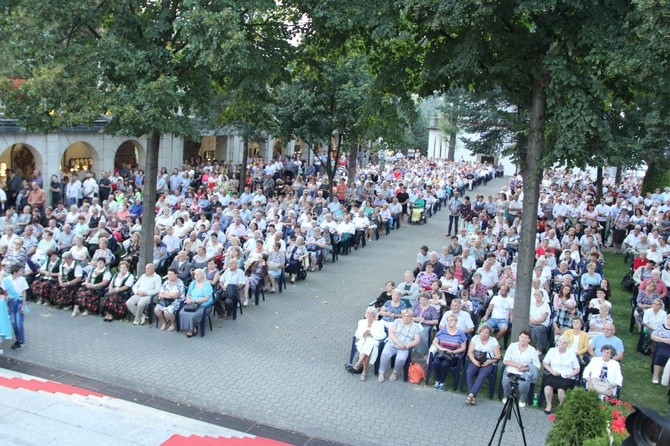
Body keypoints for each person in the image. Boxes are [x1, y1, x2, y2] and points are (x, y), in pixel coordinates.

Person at [378, 309, 422, 382]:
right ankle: (381, 372)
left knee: (401, 358)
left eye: (408, 316)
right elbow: (391, 333)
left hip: (404, 347)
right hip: (392, 344)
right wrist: (398, 343)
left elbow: (417, 340)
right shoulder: (397, 321)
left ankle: (395, 372)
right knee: (385, 354)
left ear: (411, 317)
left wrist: (407, 346)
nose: (406, 318)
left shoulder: (415, 326)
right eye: (404, 316)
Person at [501, 330, 541, 407]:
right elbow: (505, 360)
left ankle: (522, 399)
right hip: (511, 368)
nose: (523, 339)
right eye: (521, 337)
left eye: (525, 338)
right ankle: (506, 396)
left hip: (524, 371)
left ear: (529, 340)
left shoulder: (532, 350)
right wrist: (517, 365)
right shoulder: (512, 346)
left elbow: (537, 365)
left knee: (524, 384)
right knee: (505, 382)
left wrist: (525, 368)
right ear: (519, 337)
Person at [542, 335, 581, 414]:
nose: (561, 344)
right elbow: (545, 363)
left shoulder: (571, 353)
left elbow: (577, 368)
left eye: (564, 343)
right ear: (557, 342)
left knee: (561, 390)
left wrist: (570, 375)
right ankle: (549, 405)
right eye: (560, 342)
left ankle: (561, 406)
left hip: (567, 376)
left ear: (567, 345)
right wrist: (552, 371)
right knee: (547, 388)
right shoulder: (552, 350)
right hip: (554, 373)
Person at [346, 307, 387, 381]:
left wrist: (372, 335)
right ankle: (364, 371)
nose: (369, 315)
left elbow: (383, 335)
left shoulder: (379, 324)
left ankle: (358, 363)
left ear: (374, 315)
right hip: (363, 341)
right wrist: (364, 334)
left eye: (371, 314)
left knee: (368, 343)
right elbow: (357, 334)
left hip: (374, 341)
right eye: (367, 313)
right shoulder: (361, 322)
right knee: (367, 349)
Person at [465, 324, 501, 405]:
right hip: (476, 360)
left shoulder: (493, 340)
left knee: (482, 375)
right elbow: (470, 352)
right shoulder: (475, 338)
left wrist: (489, 362)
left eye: (486, 333)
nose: (483, 334)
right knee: (469, 372)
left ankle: (470, 395)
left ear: (489, 334)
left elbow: (498, 356)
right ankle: (473, 397)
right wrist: (474, 361)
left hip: (488, 362)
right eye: (482, 332)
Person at [431, 314, 468, 391]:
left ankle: (442, 382)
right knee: (436, 362)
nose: (449, 322)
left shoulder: (461, 333)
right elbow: (434, 342)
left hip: (453, 355)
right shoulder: (442, 331)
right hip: (442, 352)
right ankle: (437, 381)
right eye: (448, 320)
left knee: (445, 364)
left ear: (456, 322)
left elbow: (463, 348)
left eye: (451, 320)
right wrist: (441, 348)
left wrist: (453, 351)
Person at [180, 268, 214, 337]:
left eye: (198, 274)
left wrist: (194, 301)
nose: (196, 276)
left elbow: (207, 298)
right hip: (191, 303)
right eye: (195, 274)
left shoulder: (207, 284)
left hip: (202, 305)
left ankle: (192, 329)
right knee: (182, 312)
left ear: (202, 275)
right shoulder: (193, 283)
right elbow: (188, 294)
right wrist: (188, 299)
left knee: (192, 315)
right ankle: (191, 327)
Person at [1, 265, 28, 349]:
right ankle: (19, 340)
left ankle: (21, 341)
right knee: (13, 323)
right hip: (11, 302)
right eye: (20, 271)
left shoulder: (22, 279)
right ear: (15, 272)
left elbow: (24, 293)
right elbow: (4, 292)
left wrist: (23, 306)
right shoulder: (6, 280)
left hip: (19, 302)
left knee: (19, 323)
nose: (22, 272)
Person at [529, 289, 551, 353]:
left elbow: (543, 318)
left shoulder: (546, 305)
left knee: (538, 329)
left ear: (542, 296)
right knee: (525, 327)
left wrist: (535, 321)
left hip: (542, 323)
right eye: (536, 295)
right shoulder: (532, 303)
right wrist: (532, 321)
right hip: (531, 321)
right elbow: (529, 314)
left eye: (539, 295)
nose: (537, 296)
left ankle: (539, 349)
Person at [651, 313, 670, 384]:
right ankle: (655, 376)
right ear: (667, 319)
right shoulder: (660, 326)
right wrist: (663, 340)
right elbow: (652, 336)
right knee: (660, 354)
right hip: (660, 344)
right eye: (669, 319)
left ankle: (666, 377)